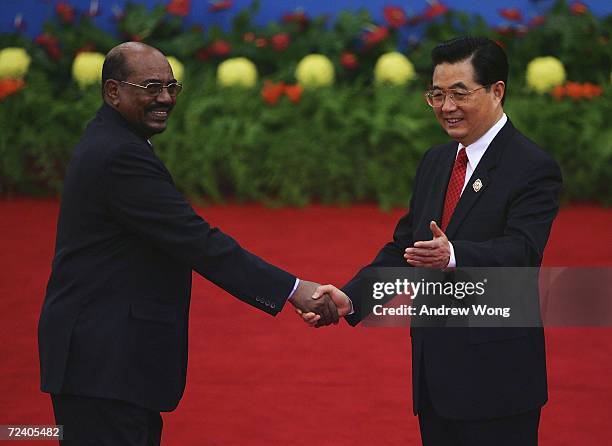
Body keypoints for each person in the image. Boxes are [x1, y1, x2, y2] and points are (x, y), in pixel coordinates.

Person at [38, 42, 339, 446]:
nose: (164, 98)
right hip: (103, 366)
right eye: (150, 87)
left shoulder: (117, 141)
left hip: (110, 364)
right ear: (113, 92)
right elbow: (196, 240)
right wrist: (292, 289)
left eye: (171, 87)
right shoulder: (118, 155)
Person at [300, 36, 562, 445]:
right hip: (436, 375)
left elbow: (523, 252)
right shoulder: (437, 161)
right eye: (436, 94)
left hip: (497, 378)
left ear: (497, 91)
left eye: (460, 93)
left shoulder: (532, 167)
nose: (446, 107)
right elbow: (407, 247)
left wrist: (454, 254)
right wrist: (354, 298)